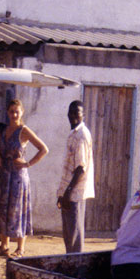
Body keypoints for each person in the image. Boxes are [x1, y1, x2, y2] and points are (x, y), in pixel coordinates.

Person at [0, 99, 48, 258]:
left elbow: (43, 149)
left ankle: (20, 248)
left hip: (18, 177)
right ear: (7, 112)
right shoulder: (4, 130)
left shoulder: (24, 131)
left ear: (22, 112)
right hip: (3, 176)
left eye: (17, 111)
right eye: (11, 111)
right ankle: (4, 246)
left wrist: (28, 163)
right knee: (2, 210)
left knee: (18, 210)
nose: (14, 114)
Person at [56, 101, 94, 253]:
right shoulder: (73, 134)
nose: (72, 116)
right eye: (70, 112)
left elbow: (81, 168)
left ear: (83, 115)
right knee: (68, 234)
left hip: (75, 194)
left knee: (74, 235)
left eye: (76, 113)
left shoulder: (82, 135)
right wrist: (62, 193)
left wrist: (68, 192)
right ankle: (70, 262)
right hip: (68, 192)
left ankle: (76, 265)